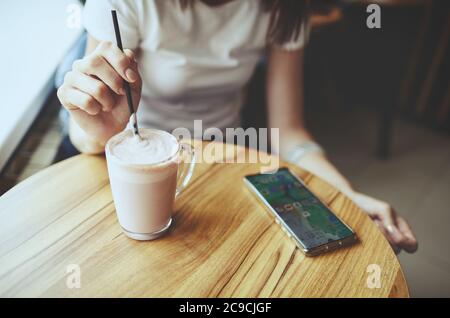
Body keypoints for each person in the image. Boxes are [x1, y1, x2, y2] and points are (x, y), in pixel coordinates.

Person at [57, 0, 418, 254]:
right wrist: (102, 130)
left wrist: (348, 196)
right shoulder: (127, 4)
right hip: (137, 162)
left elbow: (288, 132)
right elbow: (93, 134)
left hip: (227, 161)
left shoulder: (284, 6)